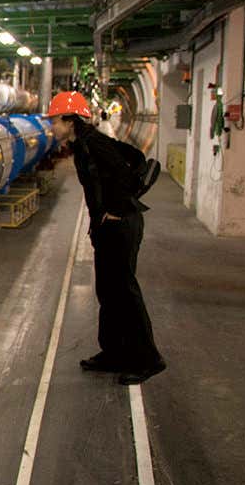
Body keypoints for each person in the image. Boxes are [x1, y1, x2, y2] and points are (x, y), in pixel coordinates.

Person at [47, 91, 166, 384]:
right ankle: (114, 352)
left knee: (125, 292)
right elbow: (134, 156)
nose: (52, 126)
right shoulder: (85, 143)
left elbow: (134, 168)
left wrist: (118, 208)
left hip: (120, 226)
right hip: (106, 228)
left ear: (69, 120)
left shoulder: (94, 144)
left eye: (54, 120)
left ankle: (148, 359)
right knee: (108, 291)